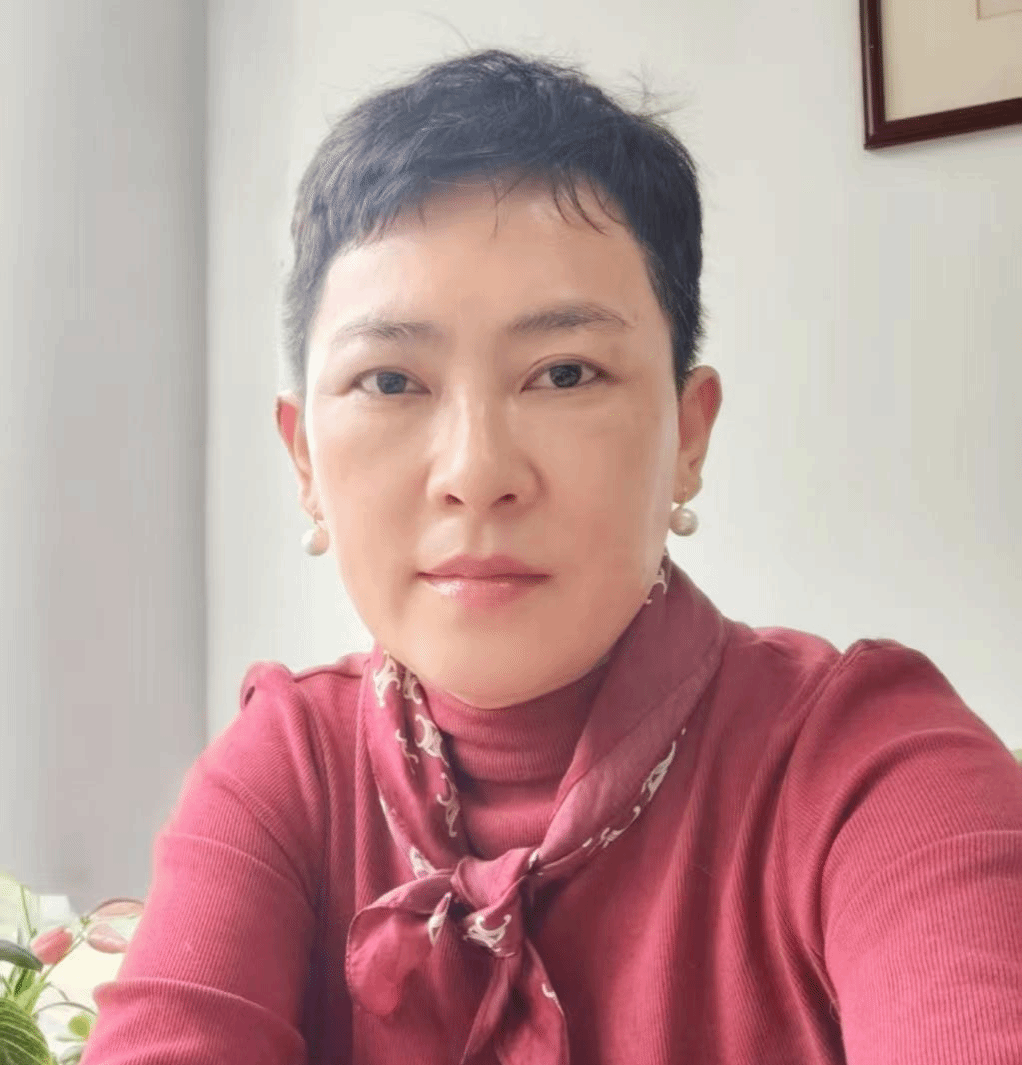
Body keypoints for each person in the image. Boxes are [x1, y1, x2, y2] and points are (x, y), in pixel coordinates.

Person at [80, 48, 1022, 1065]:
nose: (476, 472)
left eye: (564, 372)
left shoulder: (867, 767)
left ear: (687, 436)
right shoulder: (288, 770)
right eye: (391, 381)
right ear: (305, 459)